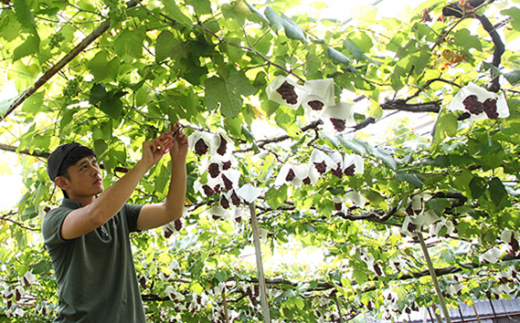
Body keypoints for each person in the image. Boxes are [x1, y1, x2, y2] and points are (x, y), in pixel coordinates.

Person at [41, 124, 188, 323]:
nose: (95, 170)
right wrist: (144, 164)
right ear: (63, 183)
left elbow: (171, 211)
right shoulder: (55, 219)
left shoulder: (119, 213)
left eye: (94, 162)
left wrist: (179, 159)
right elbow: (95, 216)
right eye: (84, 167)